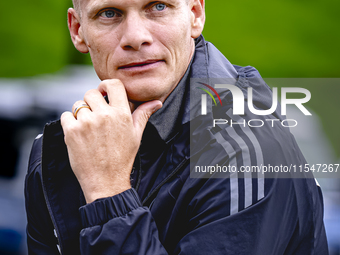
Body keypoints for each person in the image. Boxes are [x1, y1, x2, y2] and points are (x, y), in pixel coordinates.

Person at [25, 0, 329, 254]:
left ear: (195, 14)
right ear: (78, 31)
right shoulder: (57, 150)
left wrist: (108, 192)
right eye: (109, 13)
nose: (135, 36)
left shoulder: (249, 154)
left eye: (158, 6)